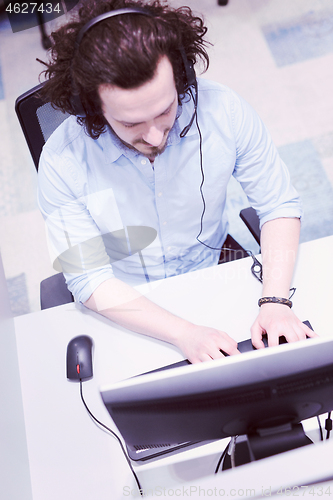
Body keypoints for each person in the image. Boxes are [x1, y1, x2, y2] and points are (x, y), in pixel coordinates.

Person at [37, 0, 316, 363]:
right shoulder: (63, 160)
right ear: (90, 107)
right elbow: (89, 279)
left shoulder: (223, 112)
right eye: (132, 124)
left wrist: (276, 301)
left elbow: (277, 204)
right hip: (124, 298)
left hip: (215, 263)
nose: (154, 136)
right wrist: (183, 333)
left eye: (165, 110)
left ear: (181, 77)